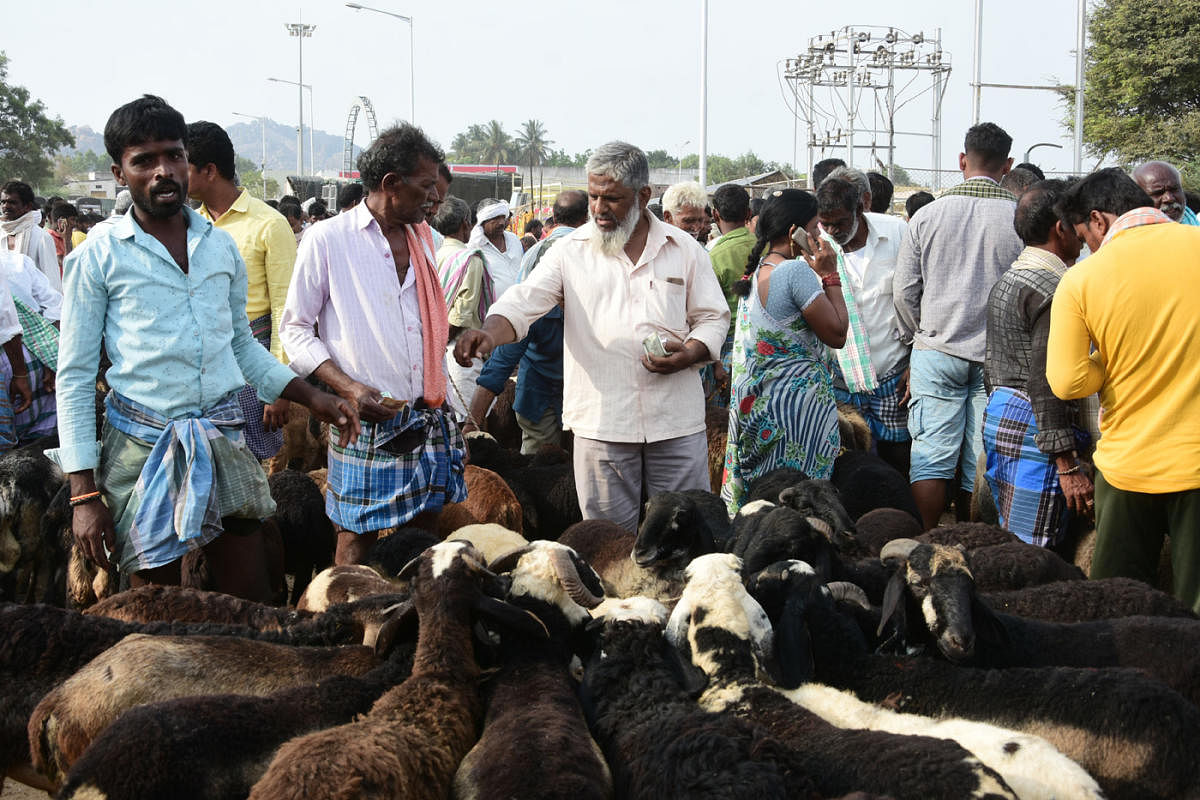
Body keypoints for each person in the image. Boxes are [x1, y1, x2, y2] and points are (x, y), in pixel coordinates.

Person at [51, 95, 356, 600]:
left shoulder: (219, 247)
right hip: (142, 444)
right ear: (118, 171)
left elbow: (240, 345)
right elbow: (76, 376)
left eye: (173, 155)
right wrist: (83, 492)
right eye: (143, 161)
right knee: (158, 606)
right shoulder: (99, 256)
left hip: (220, 435)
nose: (163, 171)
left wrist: (312, 396)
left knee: (253, 597)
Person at [454, 141, 728, 533]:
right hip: (603, 427)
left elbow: (713, 319)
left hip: (676, 423)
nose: (599, 209)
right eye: (594, 196)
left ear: (643, 196)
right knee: (607, 539)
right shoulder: (571, 251)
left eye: (612, 199)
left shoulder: (684, 249)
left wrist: (689, 353)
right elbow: (523, 302)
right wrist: (487, 333)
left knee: (684, 535)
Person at [280, 123, 466, 566]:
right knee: (354, 538)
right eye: (425, 188)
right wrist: (348, 388)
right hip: (364, 422)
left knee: (423, 537)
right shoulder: (327, 240)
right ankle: (347, 624)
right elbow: (295, 330)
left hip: (426, 416)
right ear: (390, 184)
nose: (432, 199)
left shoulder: (426, 238)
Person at [1048, 168, 1200, 612]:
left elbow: (1068, 381)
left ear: (1098, 220)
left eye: (1084, 236)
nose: (1088, 247)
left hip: (1128, 465)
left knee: (1116, 604)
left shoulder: (1081, 280)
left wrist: (1110, 360)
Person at [893, 122, 1023, 530]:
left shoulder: (927, 216)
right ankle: (973, 541)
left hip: (936, 351)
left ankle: (927, 539)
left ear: (962, 161)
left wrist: (919, 336)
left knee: (931, 455)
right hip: (997, 362)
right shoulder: (1020, 219)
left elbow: (903, 292)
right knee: (981, 459)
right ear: (1008, 165)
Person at [721, 189, 848, 514]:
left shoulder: (760, 270)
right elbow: (836, 333)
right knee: (797, 504)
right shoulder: (794, 272)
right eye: (816, 227)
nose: (821, 235)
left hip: (760, 411)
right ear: (796, 233)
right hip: (794, 418)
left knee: (763, 504)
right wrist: (830, 275)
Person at [982, 179, 1091, 548]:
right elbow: (1048, 380)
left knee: (1016, 541)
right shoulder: (1054, 288)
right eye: (1077, 224)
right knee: (1036, 555)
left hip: (1004, 418)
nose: (1083, 233)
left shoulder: (1012, 277)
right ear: (1061, 228)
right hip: (1038, 431)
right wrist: (1068, 465)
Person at [186, 120, 298, 461]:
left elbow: (286, 310)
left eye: (182, 165)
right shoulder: (191, 224)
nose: (174, 174)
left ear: (209, 170)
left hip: (253, 356)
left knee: (256, 463)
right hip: (204, 365)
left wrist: (278, 385)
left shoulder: (269, 224)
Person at [462, 190, 589, 451]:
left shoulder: (598, 300)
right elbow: (500, 363)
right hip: (539, 397)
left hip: (586, 397)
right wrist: (472, 423)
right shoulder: (535, 308)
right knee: (539, 468)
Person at [817, 168, 913, 476]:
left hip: (893, 374)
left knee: (897, 457)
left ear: (861, 208)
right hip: (841, 378)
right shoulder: (815, 246)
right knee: (848, 460)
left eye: (840, 223)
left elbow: (919, 296)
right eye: (826, 223)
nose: (832, 230)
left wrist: (917, 361)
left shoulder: (897, 233)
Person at [434, 194, 493, 419]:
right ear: (465, 224)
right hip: (460, 351)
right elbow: (461, 315)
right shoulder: (470, 259)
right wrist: (442, 345)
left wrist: (433, 347)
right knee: (468, 422)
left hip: (433, 349)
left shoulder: (433, 255)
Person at [0, 246, 61, 444]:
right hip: (33, 352)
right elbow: (54, 307)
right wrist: (51, 356)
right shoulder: (16, 261)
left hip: (16, 355)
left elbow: (8, 321)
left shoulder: (23, 257)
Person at [707, 184, 755, 406]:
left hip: (727, 351)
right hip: (762, 345)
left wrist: (716, 363)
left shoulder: (713, 255)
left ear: (715, 214)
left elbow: (710, 315)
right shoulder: (767, 247)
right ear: (748, 214)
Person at [0, 180, 61, 291]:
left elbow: (52, 281)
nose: (6, 206)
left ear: (27, 206)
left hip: (33, 305)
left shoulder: (41, 237)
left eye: (12, 202)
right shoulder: (2, 233)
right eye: (3, 202)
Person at [469, 199, 523, 299]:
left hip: (519, 307)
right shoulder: (475, 247)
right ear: (483, 221)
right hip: (491, 311)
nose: (502, 223)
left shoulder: (514, 239)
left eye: (503, 217)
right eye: (496, 218)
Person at [1132, 160, 1199, 225]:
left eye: (1174, 190)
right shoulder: (1128, 233)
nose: (1169, 198)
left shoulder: (1196, 222)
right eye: (1158, 193)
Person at [48, 202, 78, 269]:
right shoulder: (49, 238)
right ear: (62, 220)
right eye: (73, 219)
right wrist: (66, 241)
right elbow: (66, 265)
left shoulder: (64, 237)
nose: (75, 224)